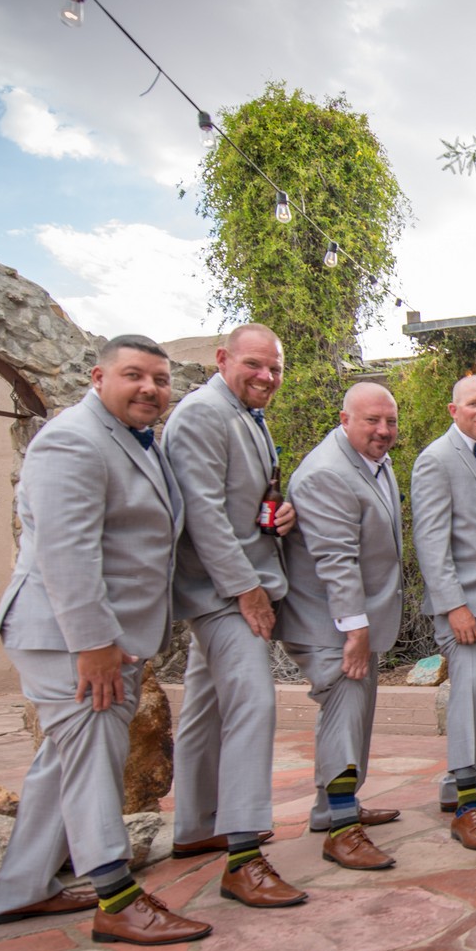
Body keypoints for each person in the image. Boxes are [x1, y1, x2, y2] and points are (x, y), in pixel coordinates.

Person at [0, 335, 210, 945]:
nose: (150, 389)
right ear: (98, 377)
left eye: (160, 380)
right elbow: (66, 551)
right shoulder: (71, 440)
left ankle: (21, 887)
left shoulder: (138, 443)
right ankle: (117, 898)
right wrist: (94, 645)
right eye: (134, 375)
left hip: (106, 637)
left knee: (62, 763)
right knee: (92, 763)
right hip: (70, 639)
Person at [160, 324, 304, 907]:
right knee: (253, 703)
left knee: (205, 707)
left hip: (231, 584)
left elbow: (241, 504)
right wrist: (247, 590)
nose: (266, 376)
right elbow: (204, 514)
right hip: (222, 593)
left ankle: (197, 827)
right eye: (254, 364)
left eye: (274, 368)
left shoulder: (247, 416)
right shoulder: (202, 415)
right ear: (222, 359)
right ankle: (244, 856)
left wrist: (277, 517)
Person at [276, 382, 408, 870]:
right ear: (344, 418)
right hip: (328, 622)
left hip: (354, 620)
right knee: (344, 714)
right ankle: (342, 829)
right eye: (372, 420)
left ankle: (328, 808)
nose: (383, 430)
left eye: (389, 421)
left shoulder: (374, 462)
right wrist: (355, 632)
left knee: (354, 715)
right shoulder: (328, 473)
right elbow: (336, 560)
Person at [410, 375, 476, 852]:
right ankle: (465, 810)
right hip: (463, 607)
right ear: (453, 410)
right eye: (473, 404)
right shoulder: (434, 460)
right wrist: (454, 605)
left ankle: (464, 787)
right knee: (468, 692)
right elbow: (431, 542)